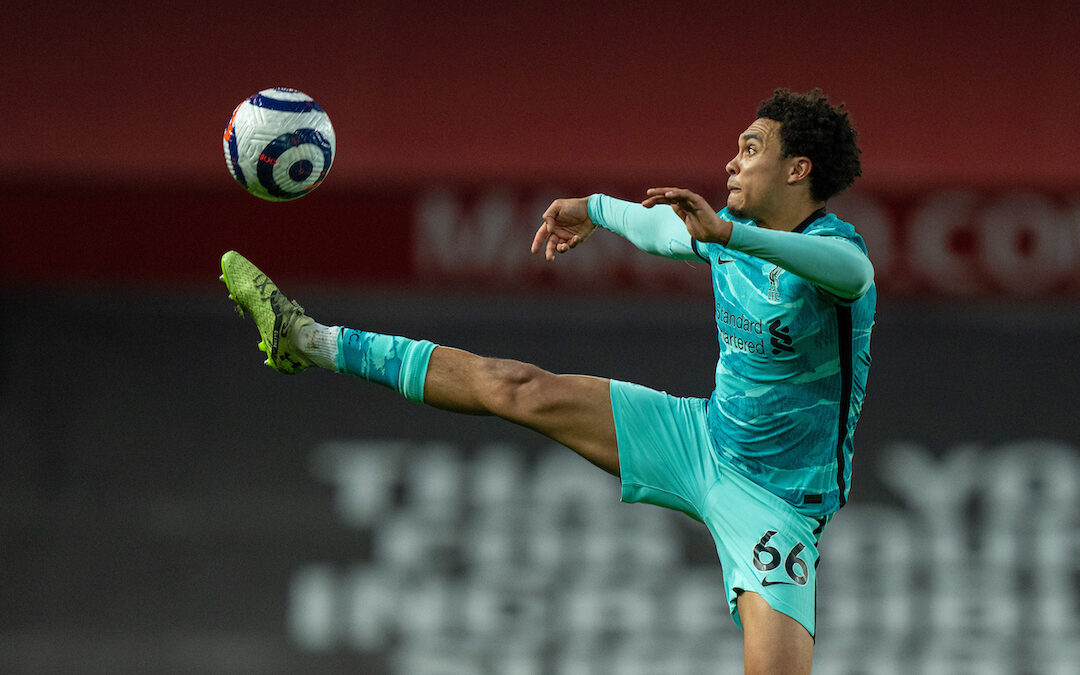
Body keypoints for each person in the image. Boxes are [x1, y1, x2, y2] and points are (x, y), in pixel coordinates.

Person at [220, 87, 874, 675]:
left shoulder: (831, 251)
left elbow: (849, 273)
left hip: (777, 506)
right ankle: (306, 338)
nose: (732, 161)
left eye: (751, 148)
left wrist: (728, 233)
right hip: (700, 438)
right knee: (516, 387)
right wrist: (592, 208)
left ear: (798, 170)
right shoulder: (731, 234)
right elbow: (654, 228)